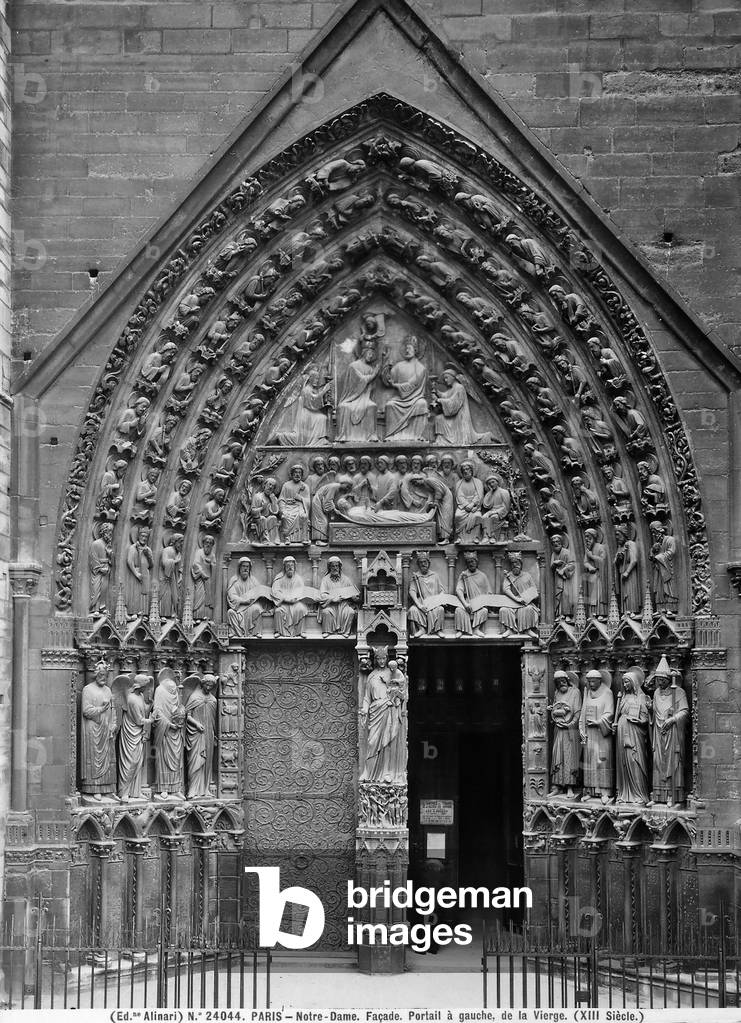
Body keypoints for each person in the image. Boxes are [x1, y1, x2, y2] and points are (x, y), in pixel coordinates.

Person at [360, 649, 407, 783]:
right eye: (379, 659)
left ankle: (387, 772)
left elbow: (402, 692)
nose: (381, 661)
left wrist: (395, 691)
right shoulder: (371, 676)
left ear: (387, 659)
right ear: (375, 660)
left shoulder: (393, 673)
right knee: (371, 742)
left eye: (383, 659)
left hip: (388, 708)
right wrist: (364, 709)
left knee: (387, 742)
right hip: (375, 710)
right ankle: (367, 772)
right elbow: (367, 697)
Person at [650, 656, 689, 807]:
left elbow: (685, 711)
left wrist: (673, 719)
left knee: (673, 762)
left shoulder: (678, 692)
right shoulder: (655, 693)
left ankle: (672, 795)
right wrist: (649, 709)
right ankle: (658, 794)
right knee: (658, 762)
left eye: (662, 679)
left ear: (668, 679)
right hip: (658, 732)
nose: (660, 682)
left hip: (672, 732)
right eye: (658, 679)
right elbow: (654, 712)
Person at [80, 660, 117, 800]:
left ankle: (107, 788)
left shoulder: (108, 690)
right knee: (94, 758)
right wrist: (101, 709)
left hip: (106, 729)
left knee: (108, 759)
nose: (104, 678)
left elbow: (113, 709)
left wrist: (113, 724)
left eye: (106, 675)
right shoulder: (87, 689)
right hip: (93, 729)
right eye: (101, 675)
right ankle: (93, 788)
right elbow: (86, 711)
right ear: (96, 674)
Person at [614, 667, 650, 805]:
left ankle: (639, 794)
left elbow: (646, 718)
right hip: (623, 730)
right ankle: (624, 793)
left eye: (627, 682)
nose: (625, 685)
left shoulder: (641, 697)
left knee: (635, 760)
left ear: (634, 683)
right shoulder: (623, 697)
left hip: (635, 731)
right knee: (623, 762)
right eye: (623, 682)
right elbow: (619, 713)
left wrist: (640, 721)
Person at [382, 336, 429, 442]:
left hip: (415, 399)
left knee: (422, 404)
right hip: (400, 400)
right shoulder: (399, 366)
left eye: (410, 348)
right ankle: (392, 435)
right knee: (390, 405)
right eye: (406, 348)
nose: (407, 350)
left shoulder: (420, 368)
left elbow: (412, 385)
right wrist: (385, 363)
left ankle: (416, 435)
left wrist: (396, 386)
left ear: (416, 350)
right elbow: (388, 379)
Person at [579, 669, 614, 803]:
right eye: (588, 681)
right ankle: (590, 790)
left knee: (602, 760)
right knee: (590, 761)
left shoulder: (607, 693)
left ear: (600, 681)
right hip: (590, 733)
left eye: (593, 681)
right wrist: (581, 729)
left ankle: (605, 791)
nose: (591, 684)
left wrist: (598, 722)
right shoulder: (587, 692)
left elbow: (609, 712)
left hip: (601, 733)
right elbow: (583, 711)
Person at [117, 674, 153, 802]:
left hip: (138, 733)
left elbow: (143, 711)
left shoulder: (141, 696)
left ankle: (135, 792)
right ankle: (124, 792)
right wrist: (151, 720)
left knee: (138, 762)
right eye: (146, 686)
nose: (147, 689)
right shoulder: (132, 699)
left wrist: (149, 706)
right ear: (140, 686)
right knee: (130, 762)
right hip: (130, 733)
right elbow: (139, 720)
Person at [336, 341, 380, 442]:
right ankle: (342, 436)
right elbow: (359, 380)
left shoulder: (370, 368)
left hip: (365, 396)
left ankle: (371, 435)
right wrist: (373, 375)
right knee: (343, 407)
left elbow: (372, 387)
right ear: (363, 353)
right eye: (369, 353)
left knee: (371, 406)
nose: (371, 356)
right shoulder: (353, 366)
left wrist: (374, 377)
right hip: (352, 397)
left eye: (372, 355)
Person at [152, 675, 186, 799]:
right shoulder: (160, 692)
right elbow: (157, 712)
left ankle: (176, 788)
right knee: (163, 759)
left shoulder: (176, 693)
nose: (173, 691)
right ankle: (163, 788)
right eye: (171, 689)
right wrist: (170, 724)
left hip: (176, 734)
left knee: (177, 760)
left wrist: (180, 718)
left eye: (174, 689)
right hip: (165, 732)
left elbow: (178, 709)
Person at [548, 670, 581, 798]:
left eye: (563, 681)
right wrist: (552, 710)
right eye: (558, 682)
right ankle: (556, 786)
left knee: (569, 757)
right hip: (559, 730)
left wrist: (570, 724)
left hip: (570, 731)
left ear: (567, 680)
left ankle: (569, 786)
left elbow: (578, 712)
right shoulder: (557, 693)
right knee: (557, 757)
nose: (561, 683)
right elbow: (556, 710)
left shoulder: (575, 692)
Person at [185, 674, 218, 798]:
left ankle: (205, 789)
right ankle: (192, 789)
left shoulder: (213, 700)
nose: (209, 687)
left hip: (209, 734)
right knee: (195, 760)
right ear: (202, 684)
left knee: (207, 762)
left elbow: (214, 720)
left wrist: (214, 734)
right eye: (207, 685)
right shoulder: (194, 697)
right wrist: (197, 724)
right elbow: (186, 715)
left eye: (211, 685)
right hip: (196, 733)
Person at [500, 553, 540, 638]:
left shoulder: (527, 575)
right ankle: (510, 630)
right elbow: (505, 589)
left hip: (525, 603)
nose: (515, 565)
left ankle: (527, 630)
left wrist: (528, 598)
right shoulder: (508, 576)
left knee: (528, 609)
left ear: (521, 564)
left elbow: (534, 590)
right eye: (513, 564)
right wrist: (516, 599)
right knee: (504, 610)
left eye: (517, 563)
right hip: (512, 602)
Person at [317, 556, 358, 636]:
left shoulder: (346, 579)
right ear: (329, 568)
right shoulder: (325, 580)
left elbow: (353, 593)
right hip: (331, 606)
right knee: (326, 612)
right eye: (333, 566)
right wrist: (332, 599)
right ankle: (327, 631)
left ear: (339, 567)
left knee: (350, 612)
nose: (335, 568)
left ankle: (345, 631)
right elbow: (322, 595)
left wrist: (354, 597)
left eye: (337, 566)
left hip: (343, 605)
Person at [408, 552, 447, 637]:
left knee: (440, 609)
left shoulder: (435, 575)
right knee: (412, 610)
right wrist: (419, 605)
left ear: (428, 563)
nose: (423, 564)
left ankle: (437, 629)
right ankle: (421, 629)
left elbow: (442, 590)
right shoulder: (416, 576)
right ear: (418, 564)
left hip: (434, 602)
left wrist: (439, 599)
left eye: (425, 562)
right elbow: (412, 591)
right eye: (421, 562)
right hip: (422, 603)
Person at [226, 557, 267, 638]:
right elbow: (231, 595)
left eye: (247, 567)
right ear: (239, 568)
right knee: (230, 612)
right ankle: (236, 632)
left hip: (250, 607)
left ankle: (256, 632)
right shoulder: (234, 580)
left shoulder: (253, 580)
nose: (245, 569)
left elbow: (259, 593)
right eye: (243, 566)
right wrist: (243, 601)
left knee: (257, 609)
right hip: (239, 608)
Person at [454, 551, 491, 637]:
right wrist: (465, 604)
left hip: (479, 604)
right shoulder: (464, 575)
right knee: (458, 610)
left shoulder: (482, 576)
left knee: (484, 611)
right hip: (468, 603)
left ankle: (476, 629)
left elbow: (488, 592)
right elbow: (458, 590)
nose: (471, 564)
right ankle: (462, 630)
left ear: (476, 562)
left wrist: (483, 602)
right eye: (469, 562)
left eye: (472, 561)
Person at [271, 556, 310, 637]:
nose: (290, 568)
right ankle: (279, 631)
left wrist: (295, 598)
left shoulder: (298, 579)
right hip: (283, 603)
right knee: (278, 611)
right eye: (288, 566)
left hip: (295, 603)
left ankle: (300, 631)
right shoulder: (279, 578)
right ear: (284, 567)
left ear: (294, 567)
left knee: (301, 609)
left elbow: (301, 591)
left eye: (292, 566)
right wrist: (285, 599)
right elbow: (275, 592)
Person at [278, 464, 311, 544]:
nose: (297, 474)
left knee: (303, 516)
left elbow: (308, 501)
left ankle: (304, 538)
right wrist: (282, 509)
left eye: (299, 472)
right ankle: (287, 538)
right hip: (288, 507)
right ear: (292, 474)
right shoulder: (286, 485)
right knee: (285, 516)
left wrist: (300, 498)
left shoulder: (304, 486)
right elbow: (281, 499)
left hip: (300, 507)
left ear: (302, 474)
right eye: (295, 472)